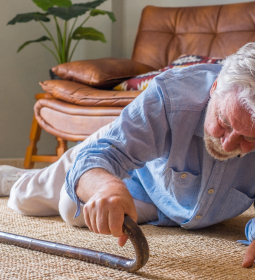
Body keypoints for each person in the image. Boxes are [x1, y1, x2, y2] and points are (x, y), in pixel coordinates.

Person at [1, 42, 255, 268]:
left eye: (249, 138)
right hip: (139, 173)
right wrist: (105, 187)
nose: (229, 143)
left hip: (168, 203)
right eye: (225, 121)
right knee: (28, 200)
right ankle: (18, 178)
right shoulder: (171, 95)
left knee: (74, 211)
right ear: (214, 88)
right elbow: (103, 155)